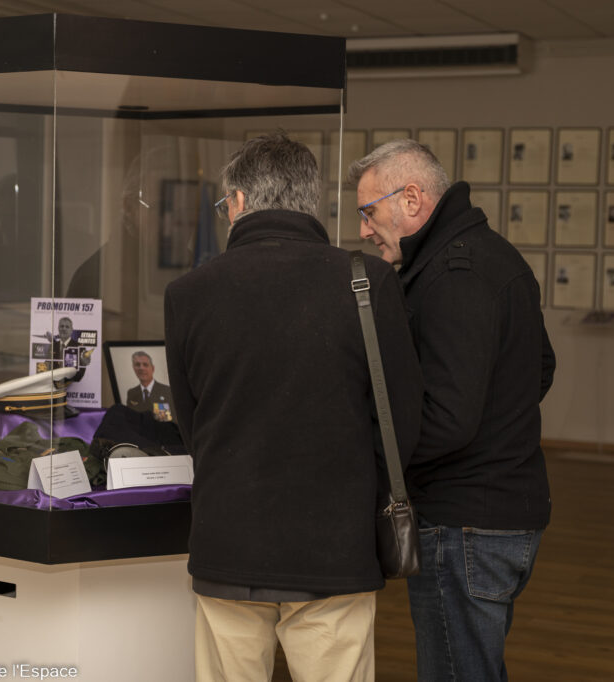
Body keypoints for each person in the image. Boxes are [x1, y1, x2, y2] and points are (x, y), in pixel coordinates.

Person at [164, 132, 423, 682]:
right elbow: (400, 422)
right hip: (335, 550)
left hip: (227, 544)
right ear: (311, 201)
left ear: (236, 204)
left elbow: (193, 424)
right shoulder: (368, 282)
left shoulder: (188, 293)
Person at [348, 138, 555, 682]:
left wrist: (375, 465)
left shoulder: (451, 277)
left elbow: (448, 416)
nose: (365, 230)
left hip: (466, 525)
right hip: (502, 516)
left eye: (370, 211)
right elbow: (540, 369)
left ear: (411, 199)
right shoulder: (495, 255)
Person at [125, 350, 176, 422]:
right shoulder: (132, 393)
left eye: (145, 364)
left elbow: (168, 421)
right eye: (137, 365)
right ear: (133, 368)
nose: (141, 368)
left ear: (152, 368)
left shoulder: (166, 391)